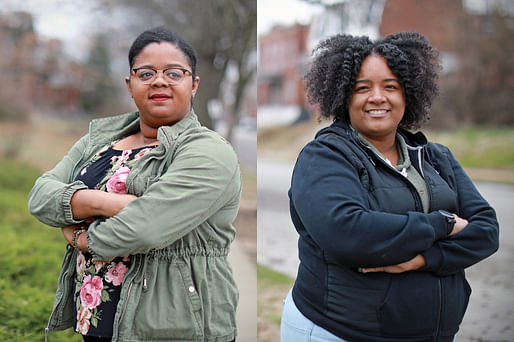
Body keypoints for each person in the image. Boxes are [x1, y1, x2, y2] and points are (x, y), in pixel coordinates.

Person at [281, 32, 499, 342]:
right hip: (339, 332)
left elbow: (487, 231)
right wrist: (443, 223)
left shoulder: (436, 157)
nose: (377, 97)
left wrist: (424, 258)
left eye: (390, 86)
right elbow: (348, 233)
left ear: (408, 94)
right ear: (344, 96)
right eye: (362, 88)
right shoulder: (324, 157)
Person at [28, 26, 240, 342]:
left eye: (174, 73)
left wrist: (81, 238)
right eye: (145, 74)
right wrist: (103, 202)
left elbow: (146, 228)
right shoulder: (98, 142)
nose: (158, 81)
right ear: (130, 84)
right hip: (97, 321)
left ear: (193, 85)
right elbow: (40, 196)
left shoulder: (209, 151)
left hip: (173, 327)